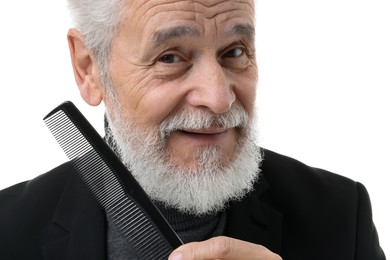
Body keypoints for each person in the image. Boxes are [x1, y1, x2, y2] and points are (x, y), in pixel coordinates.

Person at [0, 0, 386, 259]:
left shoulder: (338, 218)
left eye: (234, 51)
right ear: (89, 67)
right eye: (170, 57)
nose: (219, 99)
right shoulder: (9, 230)